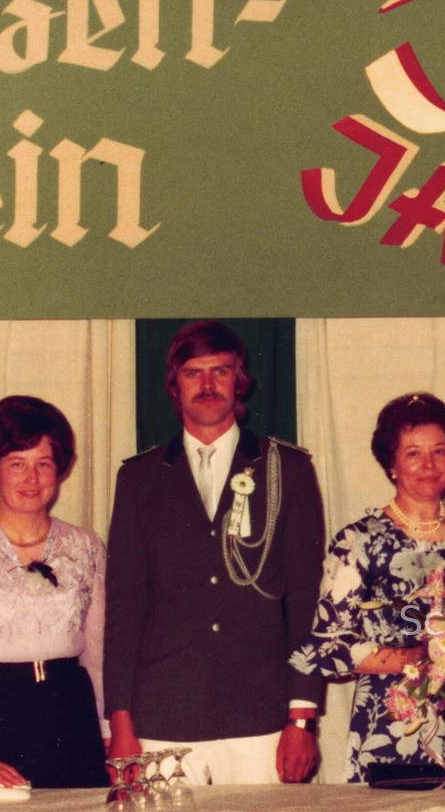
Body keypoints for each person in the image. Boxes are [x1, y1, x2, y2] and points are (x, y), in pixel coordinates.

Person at [104, 321, 326, 785]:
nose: (207, 385)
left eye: (220, 371)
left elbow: (307, 603)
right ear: (175, 385)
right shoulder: (139, 478)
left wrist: (302, 719)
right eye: (193, 373)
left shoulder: (287, 468)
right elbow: (124, 611)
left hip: (261, 718)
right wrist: (120, 725)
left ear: (238, 380)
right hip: (163, 717)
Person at [290, 392, 445, 782]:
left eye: (439, 451)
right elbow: (329, 643)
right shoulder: (359, 541)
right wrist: (416, 657)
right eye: (413, 454)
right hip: (393, 719)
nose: (429, 465)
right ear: (391, 464)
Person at [0, 396, 108, 789]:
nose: (31, 478)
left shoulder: (87, 546)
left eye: (43, 464)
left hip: (71, 716)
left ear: (59, 470)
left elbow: (97, 654)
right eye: (16, 464)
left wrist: (108, 731)